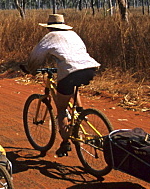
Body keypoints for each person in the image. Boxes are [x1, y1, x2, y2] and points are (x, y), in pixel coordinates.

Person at [26, 13, 100, 158]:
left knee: (61, 109)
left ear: (49, 27)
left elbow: (37, 55)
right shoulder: (73, 34)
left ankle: (65, 142)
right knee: (71, 85)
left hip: (70, 72)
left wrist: (31, 69)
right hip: (89, 68)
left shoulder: (50, 36)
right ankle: (80, 111)